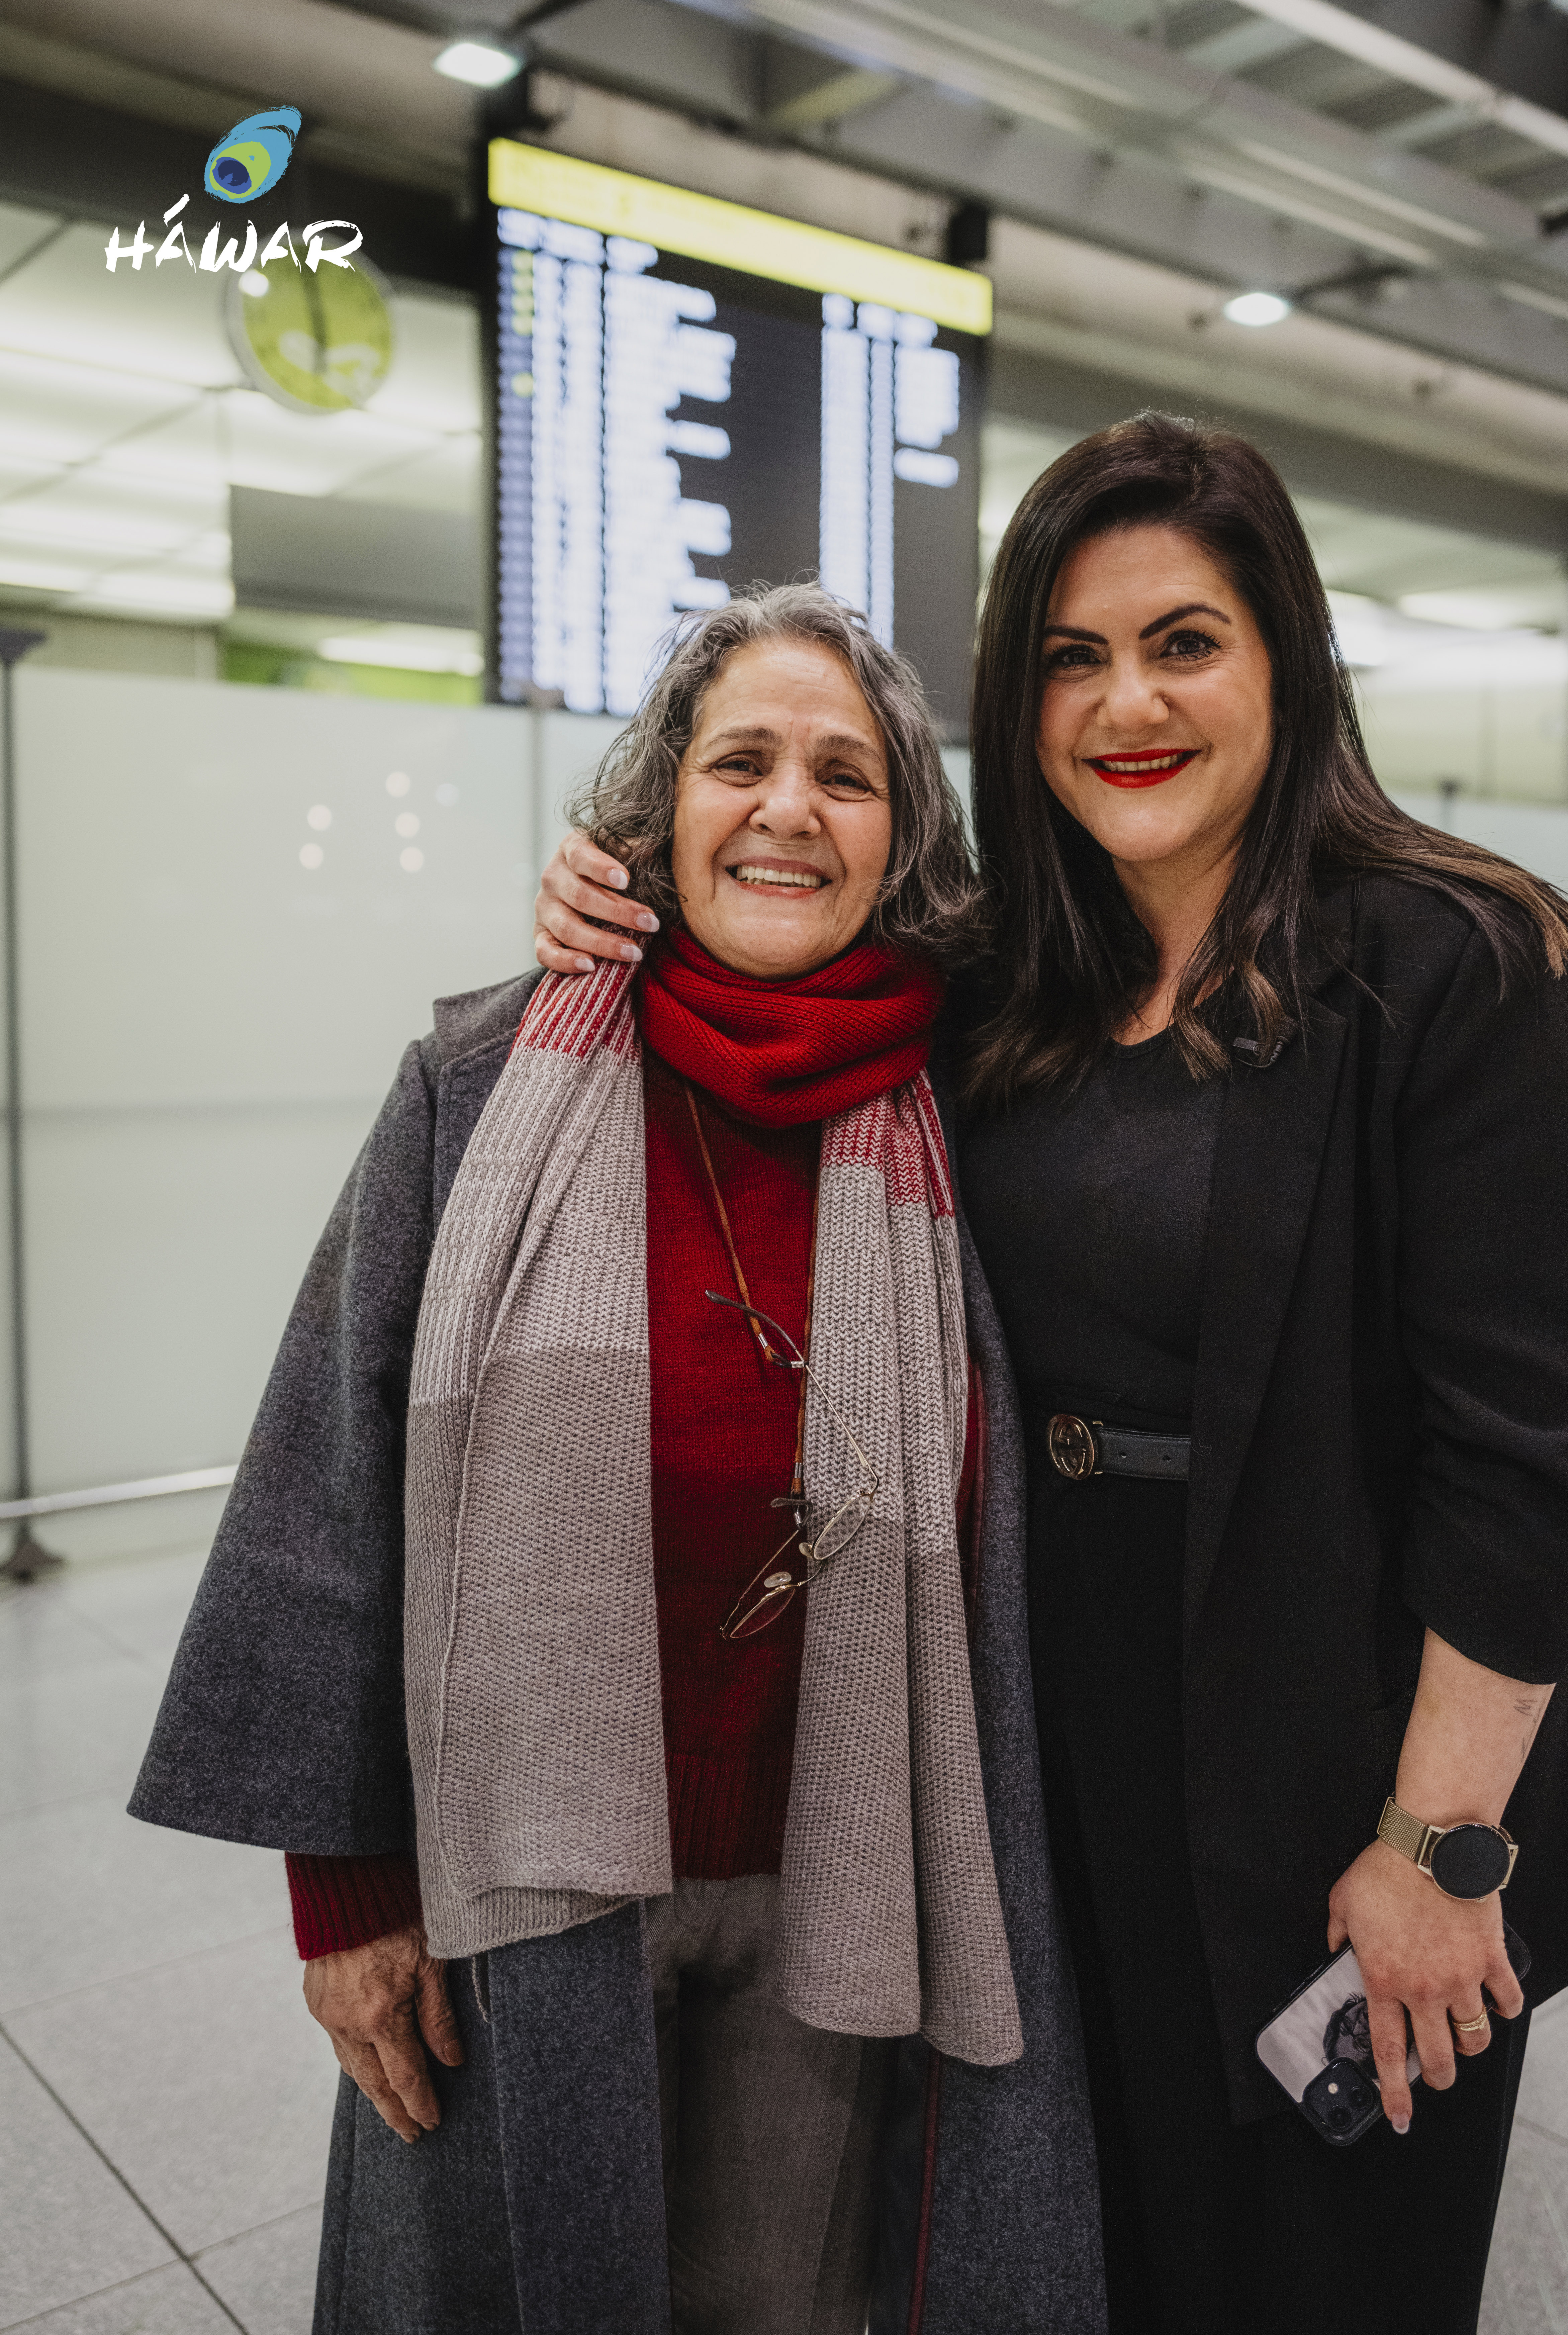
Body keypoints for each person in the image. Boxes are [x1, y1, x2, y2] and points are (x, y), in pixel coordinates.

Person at [532, 415, 1568, 2332]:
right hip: (1064, 1741)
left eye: (1184, 643)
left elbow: (1536, 1466)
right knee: (1101, 2258)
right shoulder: (997, 982)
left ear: (1287, 661)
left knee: (1326, 2272)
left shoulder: (1460, 962)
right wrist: (607, 896)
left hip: (1354, 1742)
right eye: (1074, 657)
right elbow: (774, 950)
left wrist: (1438, 1846)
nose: (1127, 703)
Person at [130, 586, 1106, 2335]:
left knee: (780, 2305)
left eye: (846, 775)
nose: (790, 808)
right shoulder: (483, 1083)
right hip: (524, 1882)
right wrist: (345, 1895)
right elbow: (330, 1487)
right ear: (661, 809)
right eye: (742, 761)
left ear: (904, 839)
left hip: (839, 1879)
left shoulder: (971, 1109)